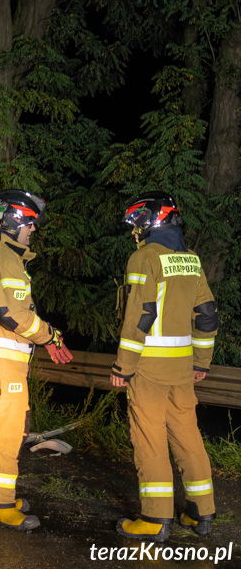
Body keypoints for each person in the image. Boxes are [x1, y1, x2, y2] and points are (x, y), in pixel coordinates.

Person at [0, 189, 73, 531]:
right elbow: (13, 314)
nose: (33, 230)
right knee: (6, 435)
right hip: (0, 362)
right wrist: (49, 335)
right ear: (13, 221)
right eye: (31, 223)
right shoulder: (3, 257)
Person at [111, 191, 219, 542]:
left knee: (150, 440)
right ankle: (201, 512)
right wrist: (201, 361)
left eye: (137, 223)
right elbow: (206, 316)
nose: (134, 231)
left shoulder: (144, 257)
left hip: (149, 368)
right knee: (188, 436)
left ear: (152, 221)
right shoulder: (190, 260)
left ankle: (155, 520)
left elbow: (140, 315)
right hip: (182, 368)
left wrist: (123, 366)